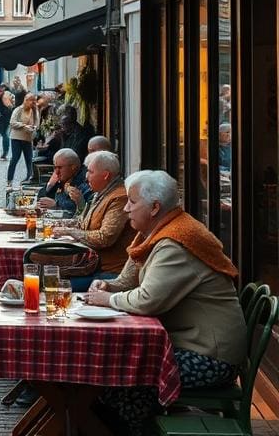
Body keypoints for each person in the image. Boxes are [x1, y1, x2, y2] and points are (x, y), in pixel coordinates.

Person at [84, 170, 245, 434]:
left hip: (211, 357)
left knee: (125, 374)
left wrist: (109, 298)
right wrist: (108, 286)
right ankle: (103, 423)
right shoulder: (156, 232)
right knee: (115, 368)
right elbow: (127, 282)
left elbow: (148, 300)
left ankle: (117, 427)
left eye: (132, 202)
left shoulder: (174, 242)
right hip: (191, 344)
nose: (126, 208)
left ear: (155, 207)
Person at [53, 151, 133, 288]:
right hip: (91, 265)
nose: (86, 176)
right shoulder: (101, 193)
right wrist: (61, 225)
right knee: (46, 272)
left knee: (54, 285)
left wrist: (70, 231)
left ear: (106, 175)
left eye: (90, 171)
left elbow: (105, 237)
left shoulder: (119, 197)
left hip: (110, 272)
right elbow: (83, 222)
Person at [36, 148, 92, 214]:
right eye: (55, 167)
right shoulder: (62, 179)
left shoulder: (85, 182)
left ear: (73, 167)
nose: (56, 172)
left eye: (60, 167)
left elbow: (80, 208)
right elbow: (41, 199)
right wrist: (50, 185)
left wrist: (57, 205)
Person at [7, 93, 40, 188]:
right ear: (26, 100)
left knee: (29, 159)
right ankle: (9, 179)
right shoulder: (18, 110)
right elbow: (12, 122)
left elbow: (37, 123)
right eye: (31, 101)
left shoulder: (34, 110)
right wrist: (24, 126)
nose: (33, 103)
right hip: (16, 138)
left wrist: (34, 127)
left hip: (28, 138)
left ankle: (29, 177)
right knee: (15, 158)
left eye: (34, 101)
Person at [0, 89, 14, 160]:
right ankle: (5, 152)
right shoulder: (2, 96)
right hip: (4, 118)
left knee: (5, 135)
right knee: (5, 135)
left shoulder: (4, 96)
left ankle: (5, 152)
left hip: (5, 119)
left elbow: (8, 106)